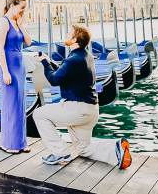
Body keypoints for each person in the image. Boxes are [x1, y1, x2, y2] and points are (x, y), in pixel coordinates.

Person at [32, 25, 131, 168]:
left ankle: (60, 152)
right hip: (90, 110)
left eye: (69, 33)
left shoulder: (73, 60)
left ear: (74, 39)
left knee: (39, 114)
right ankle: (116, 149)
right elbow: (63, 73)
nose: (66, 34)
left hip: (77, 109)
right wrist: (48, 61)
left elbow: (54, 80)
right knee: (83, 149)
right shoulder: (86, 56)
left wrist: (44, 63)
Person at [0, 0, 32, 154]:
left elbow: (28, 42)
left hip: (19, 65)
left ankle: (20, 142)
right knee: (11, 104)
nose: (23, 11)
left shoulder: (17, 22)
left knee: (20, 104)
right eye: (21, 7)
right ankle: (8, 143)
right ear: (12, 6)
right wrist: (5, 72)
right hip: (8, 65)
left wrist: (22, 24)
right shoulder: (3, 22)